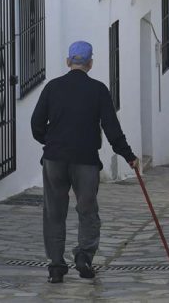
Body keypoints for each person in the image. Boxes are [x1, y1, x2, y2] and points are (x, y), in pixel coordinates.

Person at [31, 40, 139, 284]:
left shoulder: (52, 88)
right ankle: (84, 257)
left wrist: (50, 141)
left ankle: (56, 266)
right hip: (86, 161)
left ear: (69, 62)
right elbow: (112, 129)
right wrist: (128, 156)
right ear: (90, 63)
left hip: (55, 159)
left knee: (54, 213)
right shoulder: (98, 90)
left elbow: (36, 123)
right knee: (87, 210)